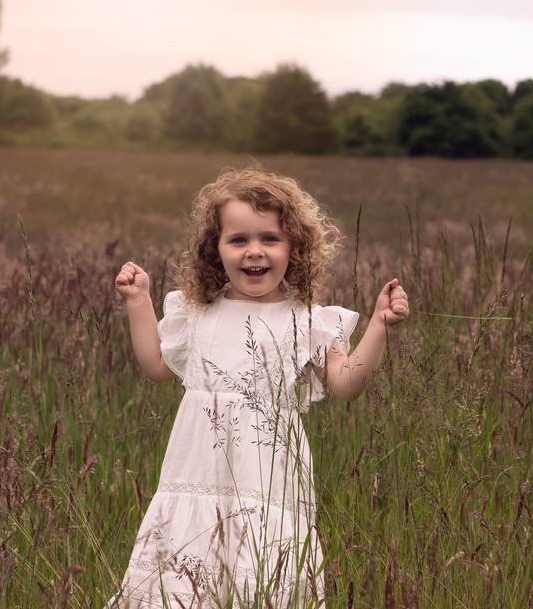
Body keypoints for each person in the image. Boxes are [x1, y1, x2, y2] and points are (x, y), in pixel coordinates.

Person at [109, 167, 409, 607]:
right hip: (195, 476)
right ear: (216, 250)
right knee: (183, 582)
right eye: (239, 240)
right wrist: (138, 303)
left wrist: (379, 325)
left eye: (270, 239)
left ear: (295, 248)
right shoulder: (197, 313)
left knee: (262, 575)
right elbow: (155, 364)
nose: (255, 251)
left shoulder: (307, 320)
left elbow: (346, 384)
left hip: (267, 483)